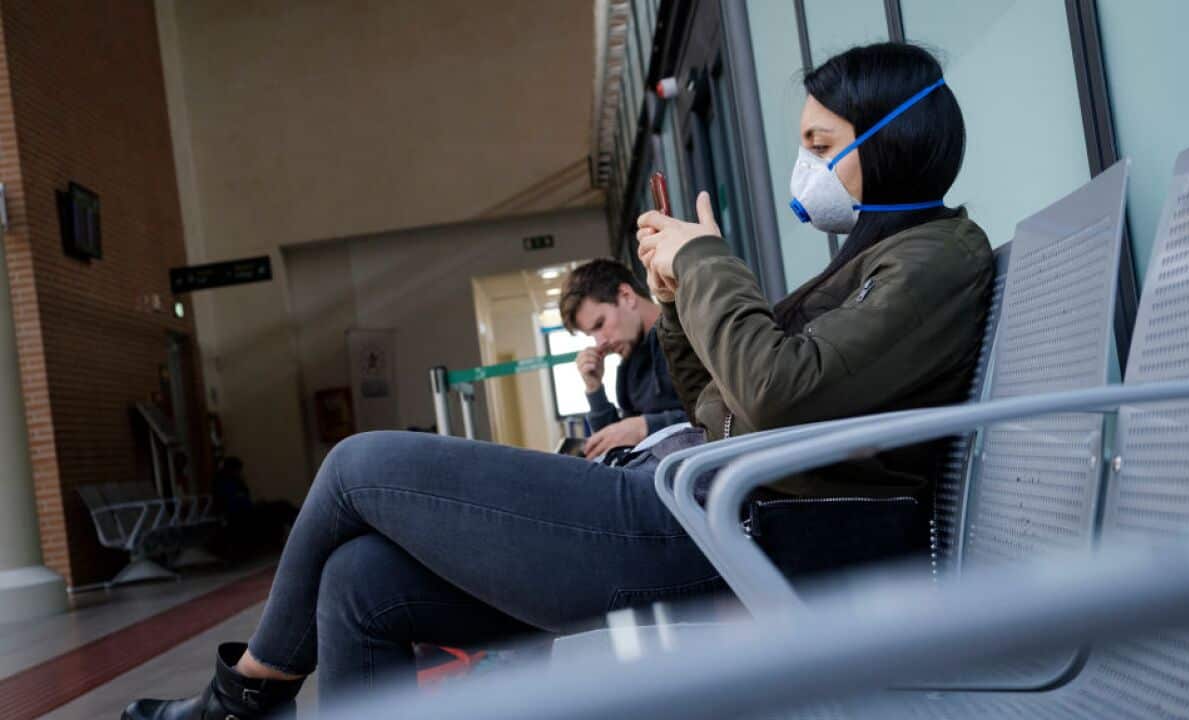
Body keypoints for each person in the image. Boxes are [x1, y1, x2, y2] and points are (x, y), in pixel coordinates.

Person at [123, 41, 992, 719]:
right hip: (712, 506)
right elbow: (720, 403)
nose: (807, 168)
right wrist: (677, 297)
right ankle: (249, 698)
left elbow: (778, 391)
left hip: (736, 527)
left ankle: (245, 697)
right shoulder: (885, 257)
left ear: (893, 140)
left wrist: (707, 263)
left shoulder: (933, 261)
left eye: (822, 146)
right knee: (360, 583)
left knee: (357, 466)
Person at [558, 259, 687, 460]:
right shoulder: (627, 370)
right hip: (653, 472)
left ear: (627, 296)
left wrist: (647, 427)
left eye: (600, 324)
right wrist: (594, 388)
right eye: (591, 335)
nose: (600, 342)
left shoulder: (688, 331)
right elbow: (616, 448)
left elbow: (727, 416)